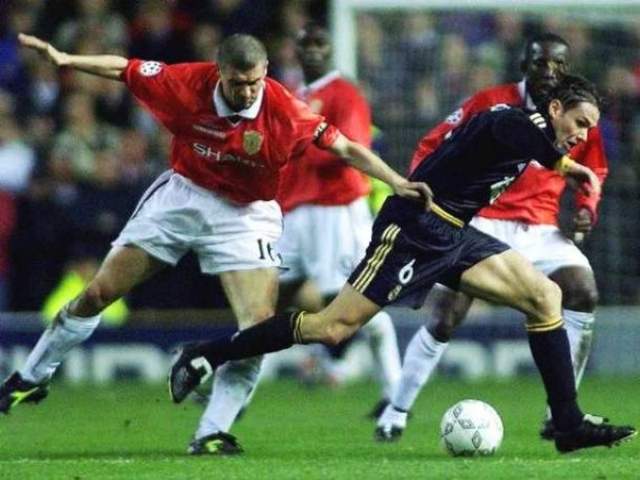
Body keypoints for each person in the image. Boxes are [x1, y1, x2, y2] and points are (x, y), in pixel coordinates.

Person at [0, 33, 428, 456]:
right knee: (98, 292)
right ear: (220, 72)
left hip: (245, 215)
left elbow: (347, 148)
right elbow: (124, 68)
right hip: (184, 196)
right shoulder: (187, 83)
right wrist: (66, 59)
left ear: (265, 72)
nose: (247, 92)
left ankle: (211, 432)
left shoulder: (285, 110)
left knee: (257, 330)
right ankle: (33, 376)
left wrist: (396, 181)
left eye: (254, 82)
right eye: (237, 83)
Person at [168, 74, 636, 454]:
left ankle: (568, 423)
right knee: (332, 328)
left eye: (589, 129)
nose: (582, 135)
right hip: (413, 228)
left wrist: (563, 163)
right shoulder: (516, 122)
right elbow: (511, 133)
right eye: (579, 122)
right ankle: (206, 353)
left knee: (545, 296)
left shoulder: (526, 128)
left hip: (453, 232)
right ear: (554, 109)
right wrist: (568, 167)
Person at [375, 33, 609, 442]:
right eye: (540, 63)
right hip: (481, 220)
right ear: (523, 65)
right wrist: (430, 198)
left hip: (540, 227)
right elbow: (432, 144)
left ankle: (560, 415)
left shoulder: (578, 116)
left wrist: (587, 209)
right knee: (446, 315)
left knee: (582, 290)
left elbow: (594, 172)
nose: (549, 71)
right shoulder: (491, 102)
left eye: (558, 65)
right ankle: (396, 411)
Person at [276, 23, 401, 413]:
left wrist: (297, 148)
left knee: (347, 303)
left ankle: (395, 393)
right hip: (294, 212)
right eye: (306, 43)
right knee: (268, 298)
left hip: (336, 209)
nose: (313, 49)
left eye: (320, 43)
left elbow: (352, 148)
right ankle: (232, 393)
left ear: (329, 50)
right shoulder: (293, 94)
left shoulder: (344, 93)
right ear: (295, 50)